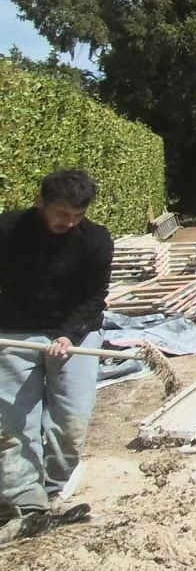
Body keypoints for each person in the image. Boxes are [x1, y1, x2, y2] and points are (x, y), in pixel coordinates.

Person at [0, 169, 112, 542]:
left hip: (75, 332)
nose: (69, 223)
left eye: (78, 216)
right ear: (40, 202)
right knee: (15, 423)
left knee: (72, 420)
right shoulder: (8, 230)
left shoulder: (95, 241)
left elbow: (95, 296)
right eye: (62, 214)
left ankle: (52, 488)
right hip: (15, 331)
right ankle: (26, 503)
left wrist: (69, 333)